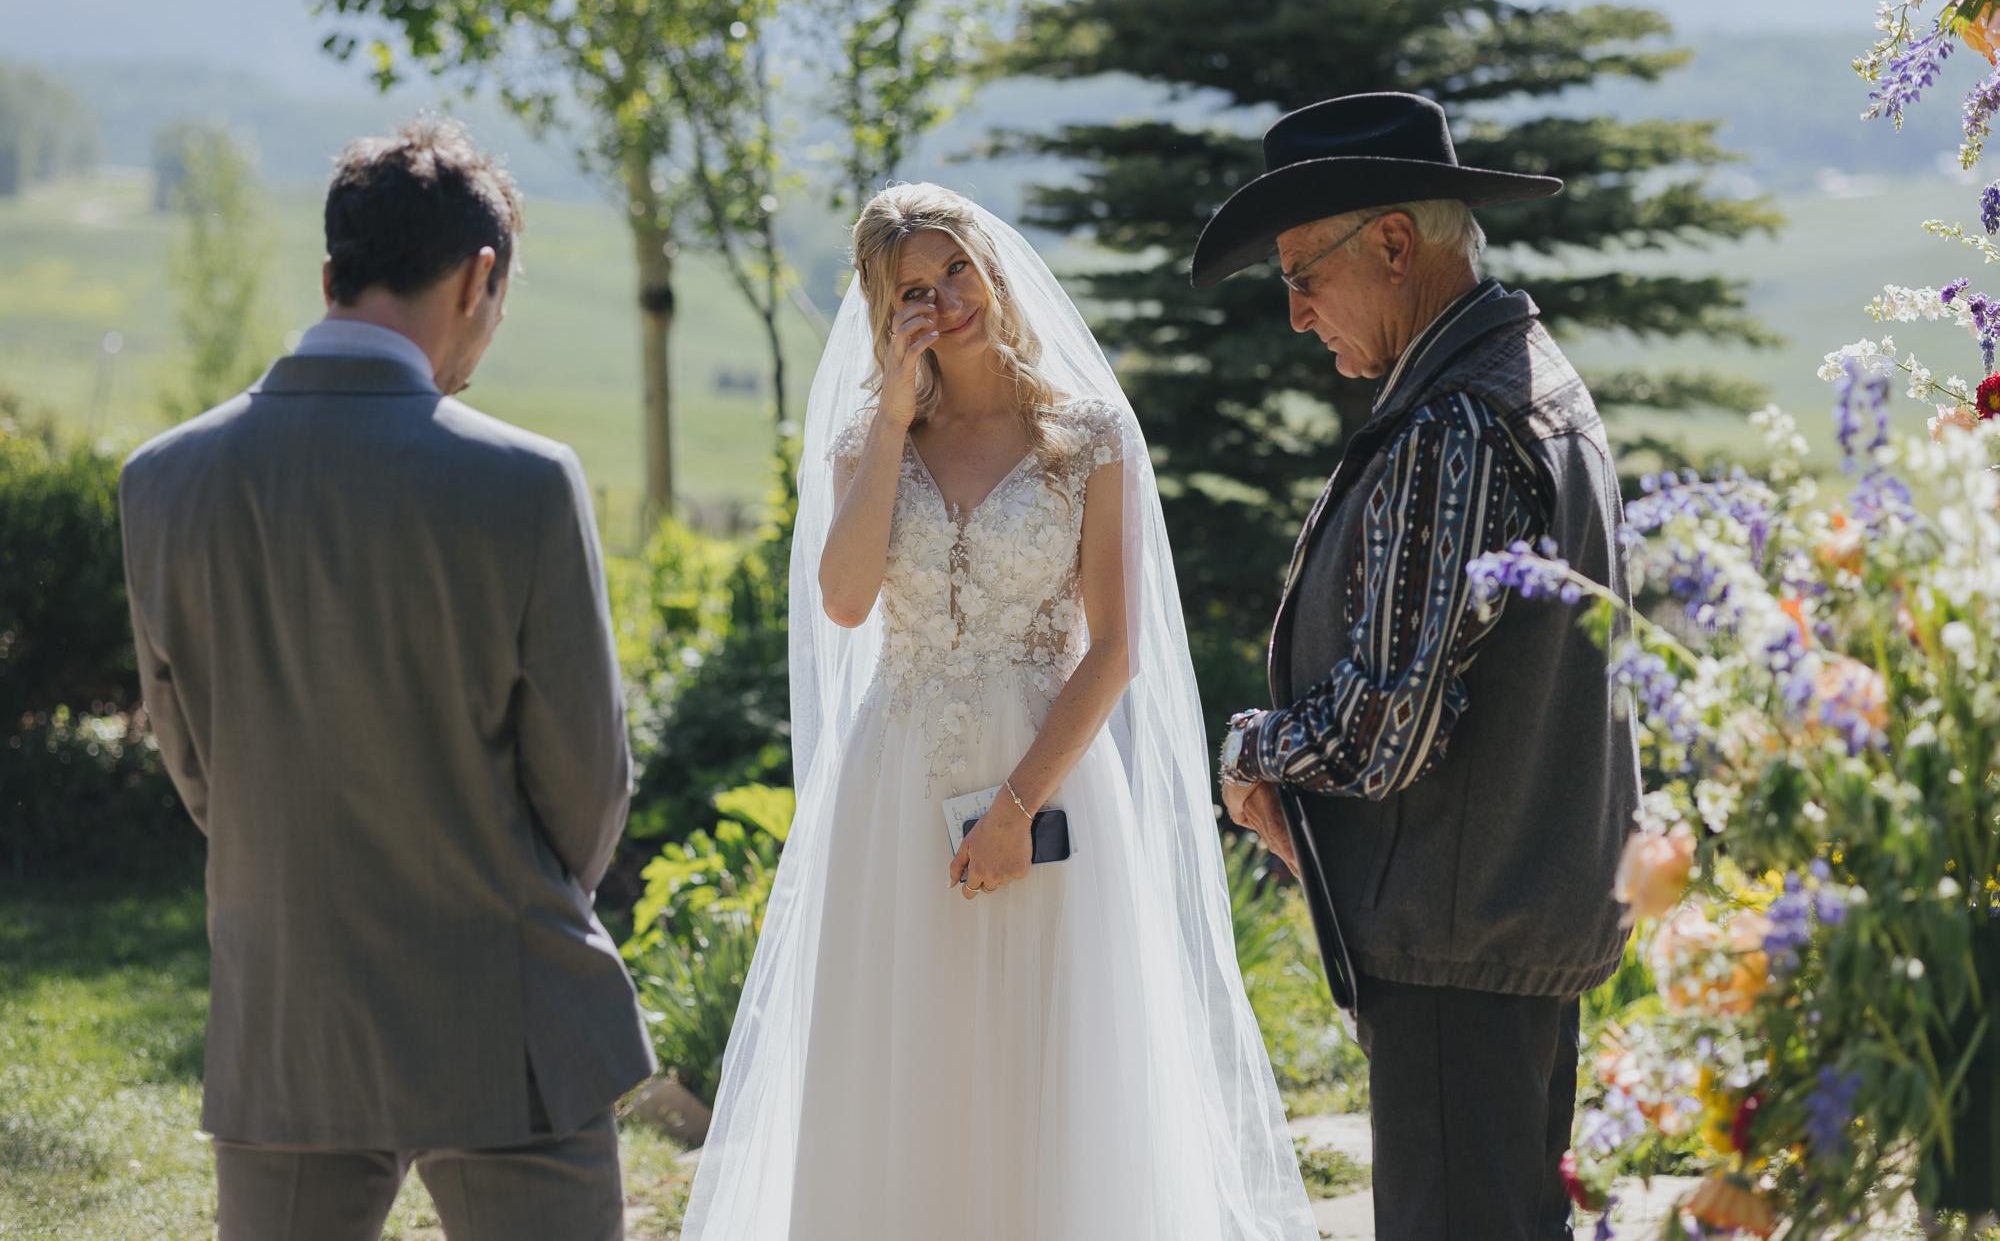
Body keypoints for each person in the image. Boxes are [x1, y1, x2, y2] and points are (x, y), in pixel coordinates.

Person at [679, 183, 1317, 1241]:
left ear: (992, 266)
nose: (943, 300)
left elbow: (1113, 649)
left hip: (1048, 780)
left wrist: (1018, 805)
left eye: (954, 271)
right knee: (902, 1050)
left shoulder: (1086, 434)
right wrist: (890, 416)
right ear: (886, 314)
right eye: (912, 291)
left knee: (1038, 1054)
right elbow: (843, 601)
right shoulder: (866, 437)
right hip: (895, 784)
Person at [118, 117, 652, 1241]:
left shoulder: (162, 480)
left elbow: (195, 761)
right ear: (482, 276)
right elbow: (586, 784)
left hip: (284, 1013)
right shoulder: (524, 483)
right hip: (504, 1006)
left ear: (329, 276)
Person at [1193, 92, 1641, 1241]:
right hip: (1502, 934)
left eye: (1302, 272)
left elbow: (1382, 730)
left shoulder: (1458, 421)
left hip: (1459, 951)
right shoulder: (1532, 385)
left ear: (1393, 244)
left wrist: (1246, 750)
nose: (1293, 314)